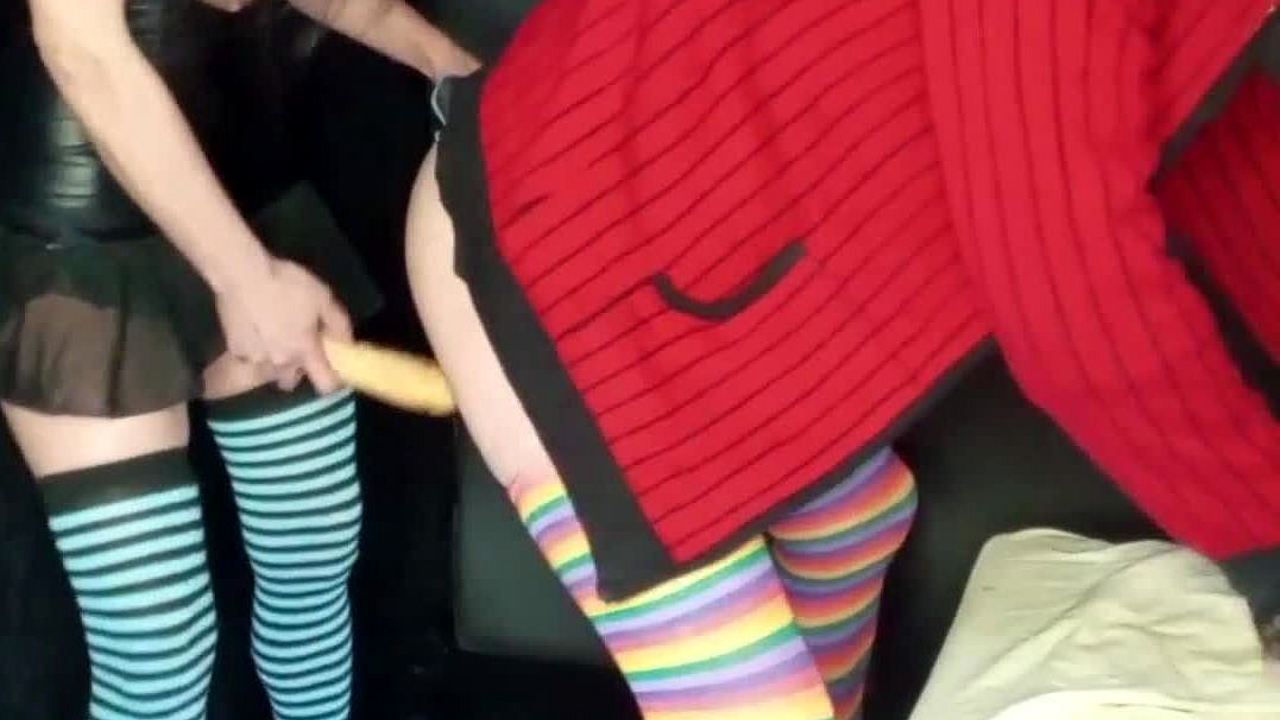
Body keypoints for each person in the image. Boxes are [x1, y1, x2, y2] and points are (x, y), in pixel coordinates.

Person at [409, 0, 1280, 717]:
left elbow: (1220, 146)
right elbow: (1067, 279)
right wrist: (1266, 540)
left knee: (852, 526)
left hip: (734, 268)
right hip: (553, 250)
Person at [0, 1, 474, 719]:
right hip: (87, 259)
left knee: (311, 561)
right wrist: (246, 280)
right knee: (158, 646)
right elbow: (85, 53)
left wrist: (461, 75)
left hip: (260, 216)